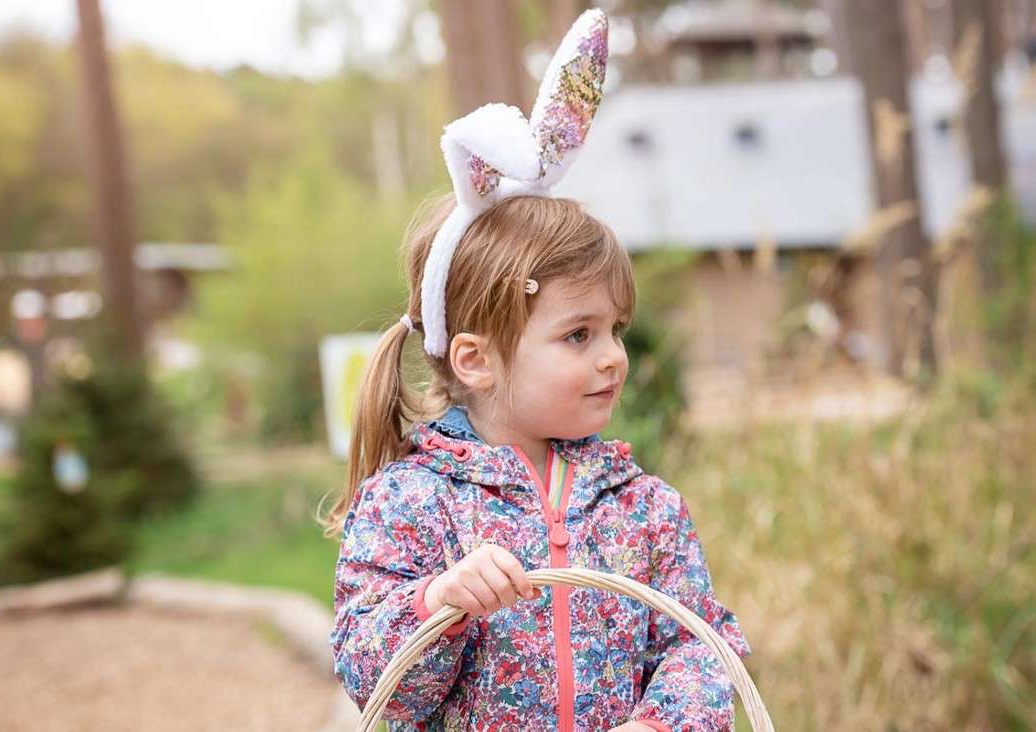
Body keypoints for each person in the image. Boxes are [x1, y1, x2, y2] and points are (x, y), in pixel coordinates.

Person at [319, 9, 749, 731]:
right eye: (577, 334)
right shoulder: (410, 505)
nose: (612, 355)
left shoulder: (643, 508)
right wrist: (439, 603)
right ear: (476, 360)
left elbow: (700, 645)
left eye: (616, 330)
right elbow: (379, 684)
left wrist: (660, 723)